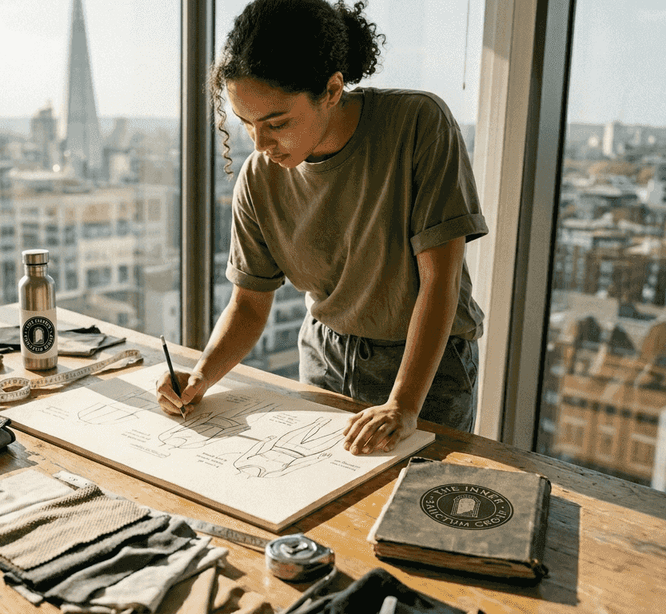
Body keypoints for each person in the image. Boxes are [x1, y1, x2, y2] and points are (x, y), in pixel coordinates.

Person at [157, 0, 488, 456]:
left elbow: (440, 282)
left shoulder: (419, 124)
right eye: (247, 124)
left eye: (277, 123)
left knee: (418, 508)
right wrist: (201, 375)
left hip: (424, 368)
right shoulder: (258, 177)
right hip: (325, 357)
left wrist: (403, 404)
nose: (261, 143)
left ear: (332, 90)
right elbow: (250, 305)